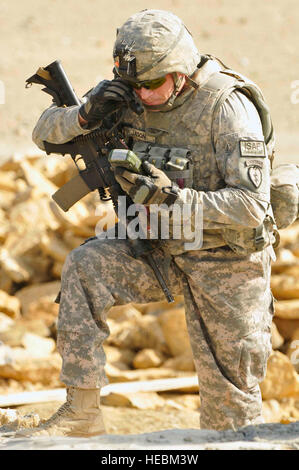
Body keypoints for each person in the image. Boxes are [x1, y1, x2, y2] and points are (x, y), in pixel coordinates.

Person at [19, 9, 277, 437]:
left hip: (227, 261)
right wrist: (84, 115)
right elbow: (44, 132)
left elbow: (253, 205)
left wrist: (176, 198)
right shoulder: (126, 93)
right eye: (133, 84)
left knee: (230, 415)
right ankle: (82, 413)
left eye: (152, 84)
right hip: (157, 248)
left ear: (181, 73)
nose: (141, 94)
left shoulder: (226, 107)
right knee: (86, 267)